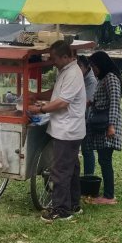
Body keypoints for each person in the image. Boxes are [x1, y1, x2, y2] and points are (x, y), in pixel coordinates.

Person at [27, 41, 86, 222]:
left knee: (60, 170)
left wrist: (40, 109)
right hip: (67, 128)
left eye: (55, 58)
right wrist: (38, 96)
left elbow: (62, 102)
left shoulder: (73, 74)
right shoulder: (66, 71)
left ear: (66, 57)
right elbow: (56, 93)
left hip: (67, 130)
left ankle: (61, 210)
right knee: (71, 168)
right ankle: (73, 204)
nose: (53, 62)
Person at [84, 51, 122, 205]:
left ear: (101, 64)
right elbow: (101, 99)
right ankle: (108, 193)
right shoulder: (103, 79)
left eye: (94, 66)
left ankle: (109, 196)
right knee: (103, 159)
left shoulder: (111, 78)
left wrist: (111, 126)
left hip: (107, 124)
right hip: (102, 123)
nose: (93, 70)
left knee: (105, 159)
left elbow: (114, 102)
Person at [77, 55, 98, 177]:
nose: (78, 69)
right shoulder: (79, 77)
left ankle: (88, 177)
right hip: (79, 118)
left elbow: (87, 102)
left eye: (80, 66)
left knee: (87, 150)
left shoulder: (91, 81)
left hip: (87, 120)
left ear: (87, 67)